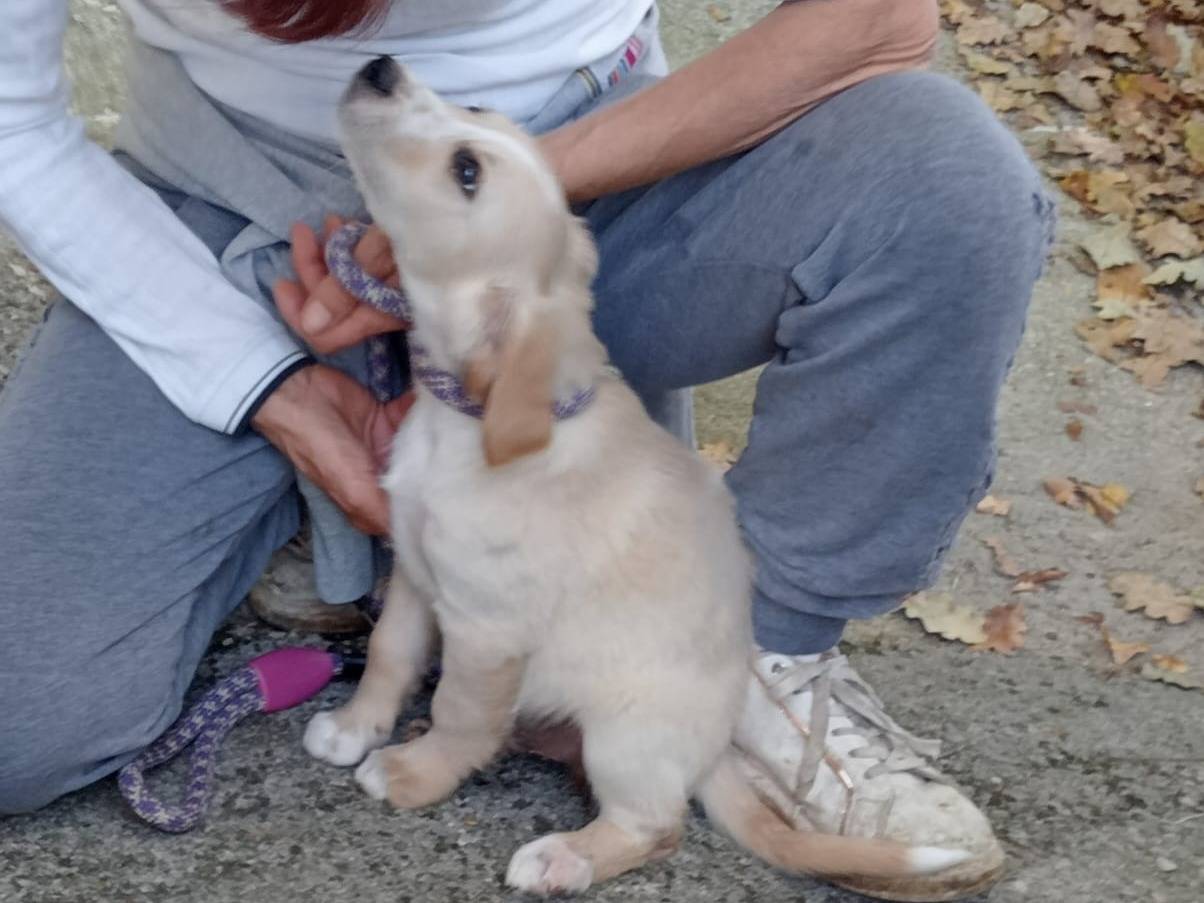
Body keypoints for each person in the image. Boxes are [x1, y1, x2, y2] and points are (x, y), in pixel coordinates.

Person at [0, 0, 1053, 898]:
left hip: (599, 167)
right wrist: (261, 388)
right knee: (19, 726)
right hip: (228, 197)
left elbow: (877, 21)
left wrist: (497, 208)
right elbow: (12, 120)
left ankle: (761, 649)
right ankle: (317, 521)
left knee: (942, 184)